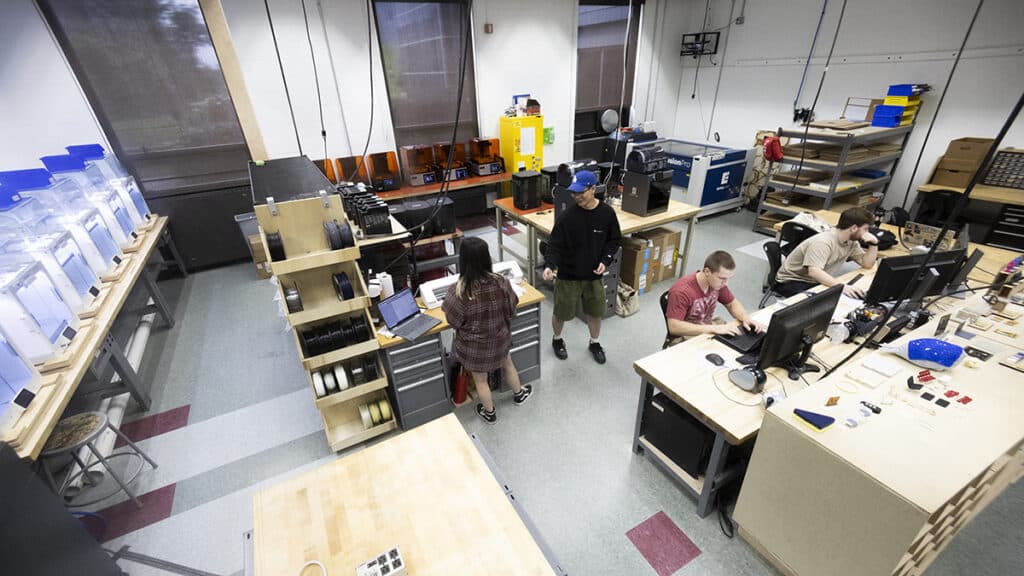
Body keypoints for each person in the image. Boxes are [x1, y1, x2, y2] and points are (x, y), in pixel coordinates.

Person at [443, 237, 532, 424]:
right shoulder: (501, 282)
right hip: (500, 340)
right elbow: (512, 308)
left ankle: (489, 412)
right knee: (508, 364)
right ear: (487, 258)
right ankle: (519, 394)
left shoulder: (458, 292)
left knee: (481, 380)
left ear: (463, 261)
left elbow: (453, 321)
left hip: (475, 349)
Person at [542, 170, 621, 364]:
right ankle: (557, 339)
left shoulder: (606, 214)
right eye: (574, 193)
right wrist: (550, 266)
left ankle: (594, 342)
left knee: (595, 313)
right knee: (561, 313)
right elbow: (554, 245)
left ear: (593, 189)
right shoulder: (567, 217)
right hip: (568, 275)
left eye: (581, 192)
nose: (576, 196)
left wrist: (606, 260)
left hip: (594, 275)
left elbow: (614, 240)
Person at [774, 207, 879, 298]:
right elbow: (814, 271)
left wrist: (873, 244)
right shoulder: (824, 242)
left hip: (813, 281)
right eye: (865, 229)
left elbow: (867, 264)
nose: (867, 233)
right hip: (792, 281)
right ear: (854, 228)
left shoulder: (851, 242)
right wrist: (842, 287)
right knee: (830, 303)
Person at [665, 250, 764, 346]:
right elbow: (674, 327)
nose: (726, 283)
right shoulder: (682, 291)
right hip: (685, 338)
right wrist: (713, 329)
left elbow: (731, 303)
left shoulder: (717, 284)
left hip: (707, 329)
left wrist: (745, 317)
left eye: (728, 279)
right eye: (722, 278)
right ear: (707, 271)